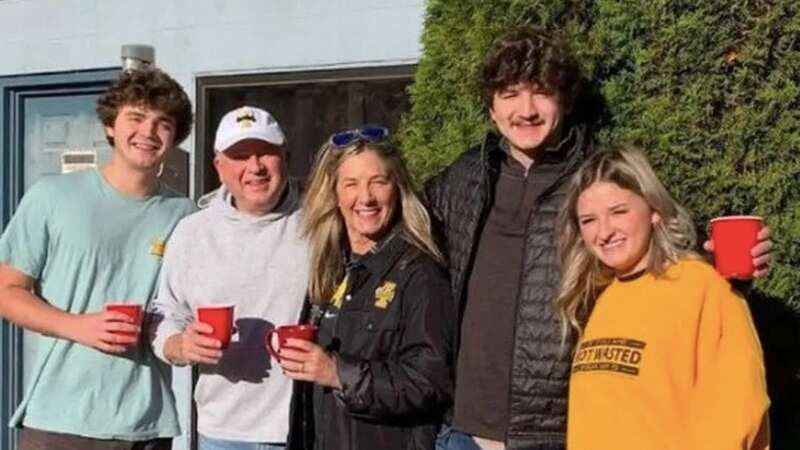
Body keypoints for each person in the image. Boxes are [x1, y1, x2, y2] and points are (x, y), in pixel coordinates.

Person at [424, 26, 773, 450]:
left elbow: (670, 260)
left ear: (565, 101)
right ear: (492, 108)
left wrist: (731, 270)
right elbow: (403, 236)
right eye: (511, 94)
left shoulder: (596, 179)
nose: (526, 109)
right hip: (462, 432)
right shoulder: (463, 179)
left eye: (541, 92)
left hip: (554, 434)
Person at [0, 68, 194, 450]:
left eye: (163, 123)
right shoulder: (52, 196)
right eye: (136, 118)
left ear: (174, 137)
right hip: (59, 419)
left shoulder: (184, 215)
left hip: (146, 424)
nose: (148, 132)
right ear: (110, 125)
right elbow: (7, 290)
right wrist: (78, 326)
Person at [557, 146, 770, 450]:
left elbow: (737, 406)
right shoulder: (603, 298)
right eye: (589, 220)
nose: (604, 232)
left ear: (654, 210)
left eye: (619, 212)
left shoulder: (702, 285)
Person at [281, 126, 455, 450]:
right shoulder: (331, 265)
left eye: (378, 181)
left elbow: (431, 381)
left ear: (398, 187)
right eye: (351, 184)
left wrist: (337, 374)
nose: (366, 198)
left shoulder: (419, 271)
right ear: (333, 193)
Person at [151, 106, 308, 450]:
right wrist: (180, 345)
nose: (254, 167)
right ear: (219, 166)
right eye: (239, 156)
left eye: (265, 152)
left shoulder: (320, 223)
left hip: (307, 427)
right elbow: (166, 313)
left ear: (286, 157)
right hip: (224, 434)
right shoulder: (193, 232)